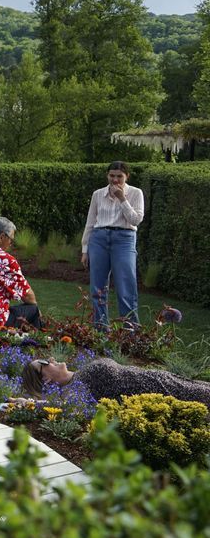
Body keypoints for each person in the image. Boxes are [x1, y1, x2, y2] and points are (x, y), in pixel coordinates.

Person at [81, 161, 144, 327]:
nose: (115, 180)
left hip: (124, 239)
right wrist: (85, 250)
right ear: (107, 175)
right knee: (98, 289)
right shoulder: (98, 194)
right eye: (112, 176)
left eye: (119, 176)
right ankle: (100, 331)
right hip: (99, 239)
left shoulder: (136, 193)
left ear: (127, 176)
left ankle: (130, 332)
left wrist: (122, 198)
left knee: (126, 286)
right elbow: (90, 222)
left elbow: (135, 220)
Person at [22, 356, 210, 409]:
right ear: (46, 379)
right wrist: (31, 404)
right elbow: (67, 406)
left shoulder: (78, 376)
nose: (51, 358)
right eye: (45, 363)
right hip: (167, 392)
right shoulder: (74, 389)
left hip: (165, 379)